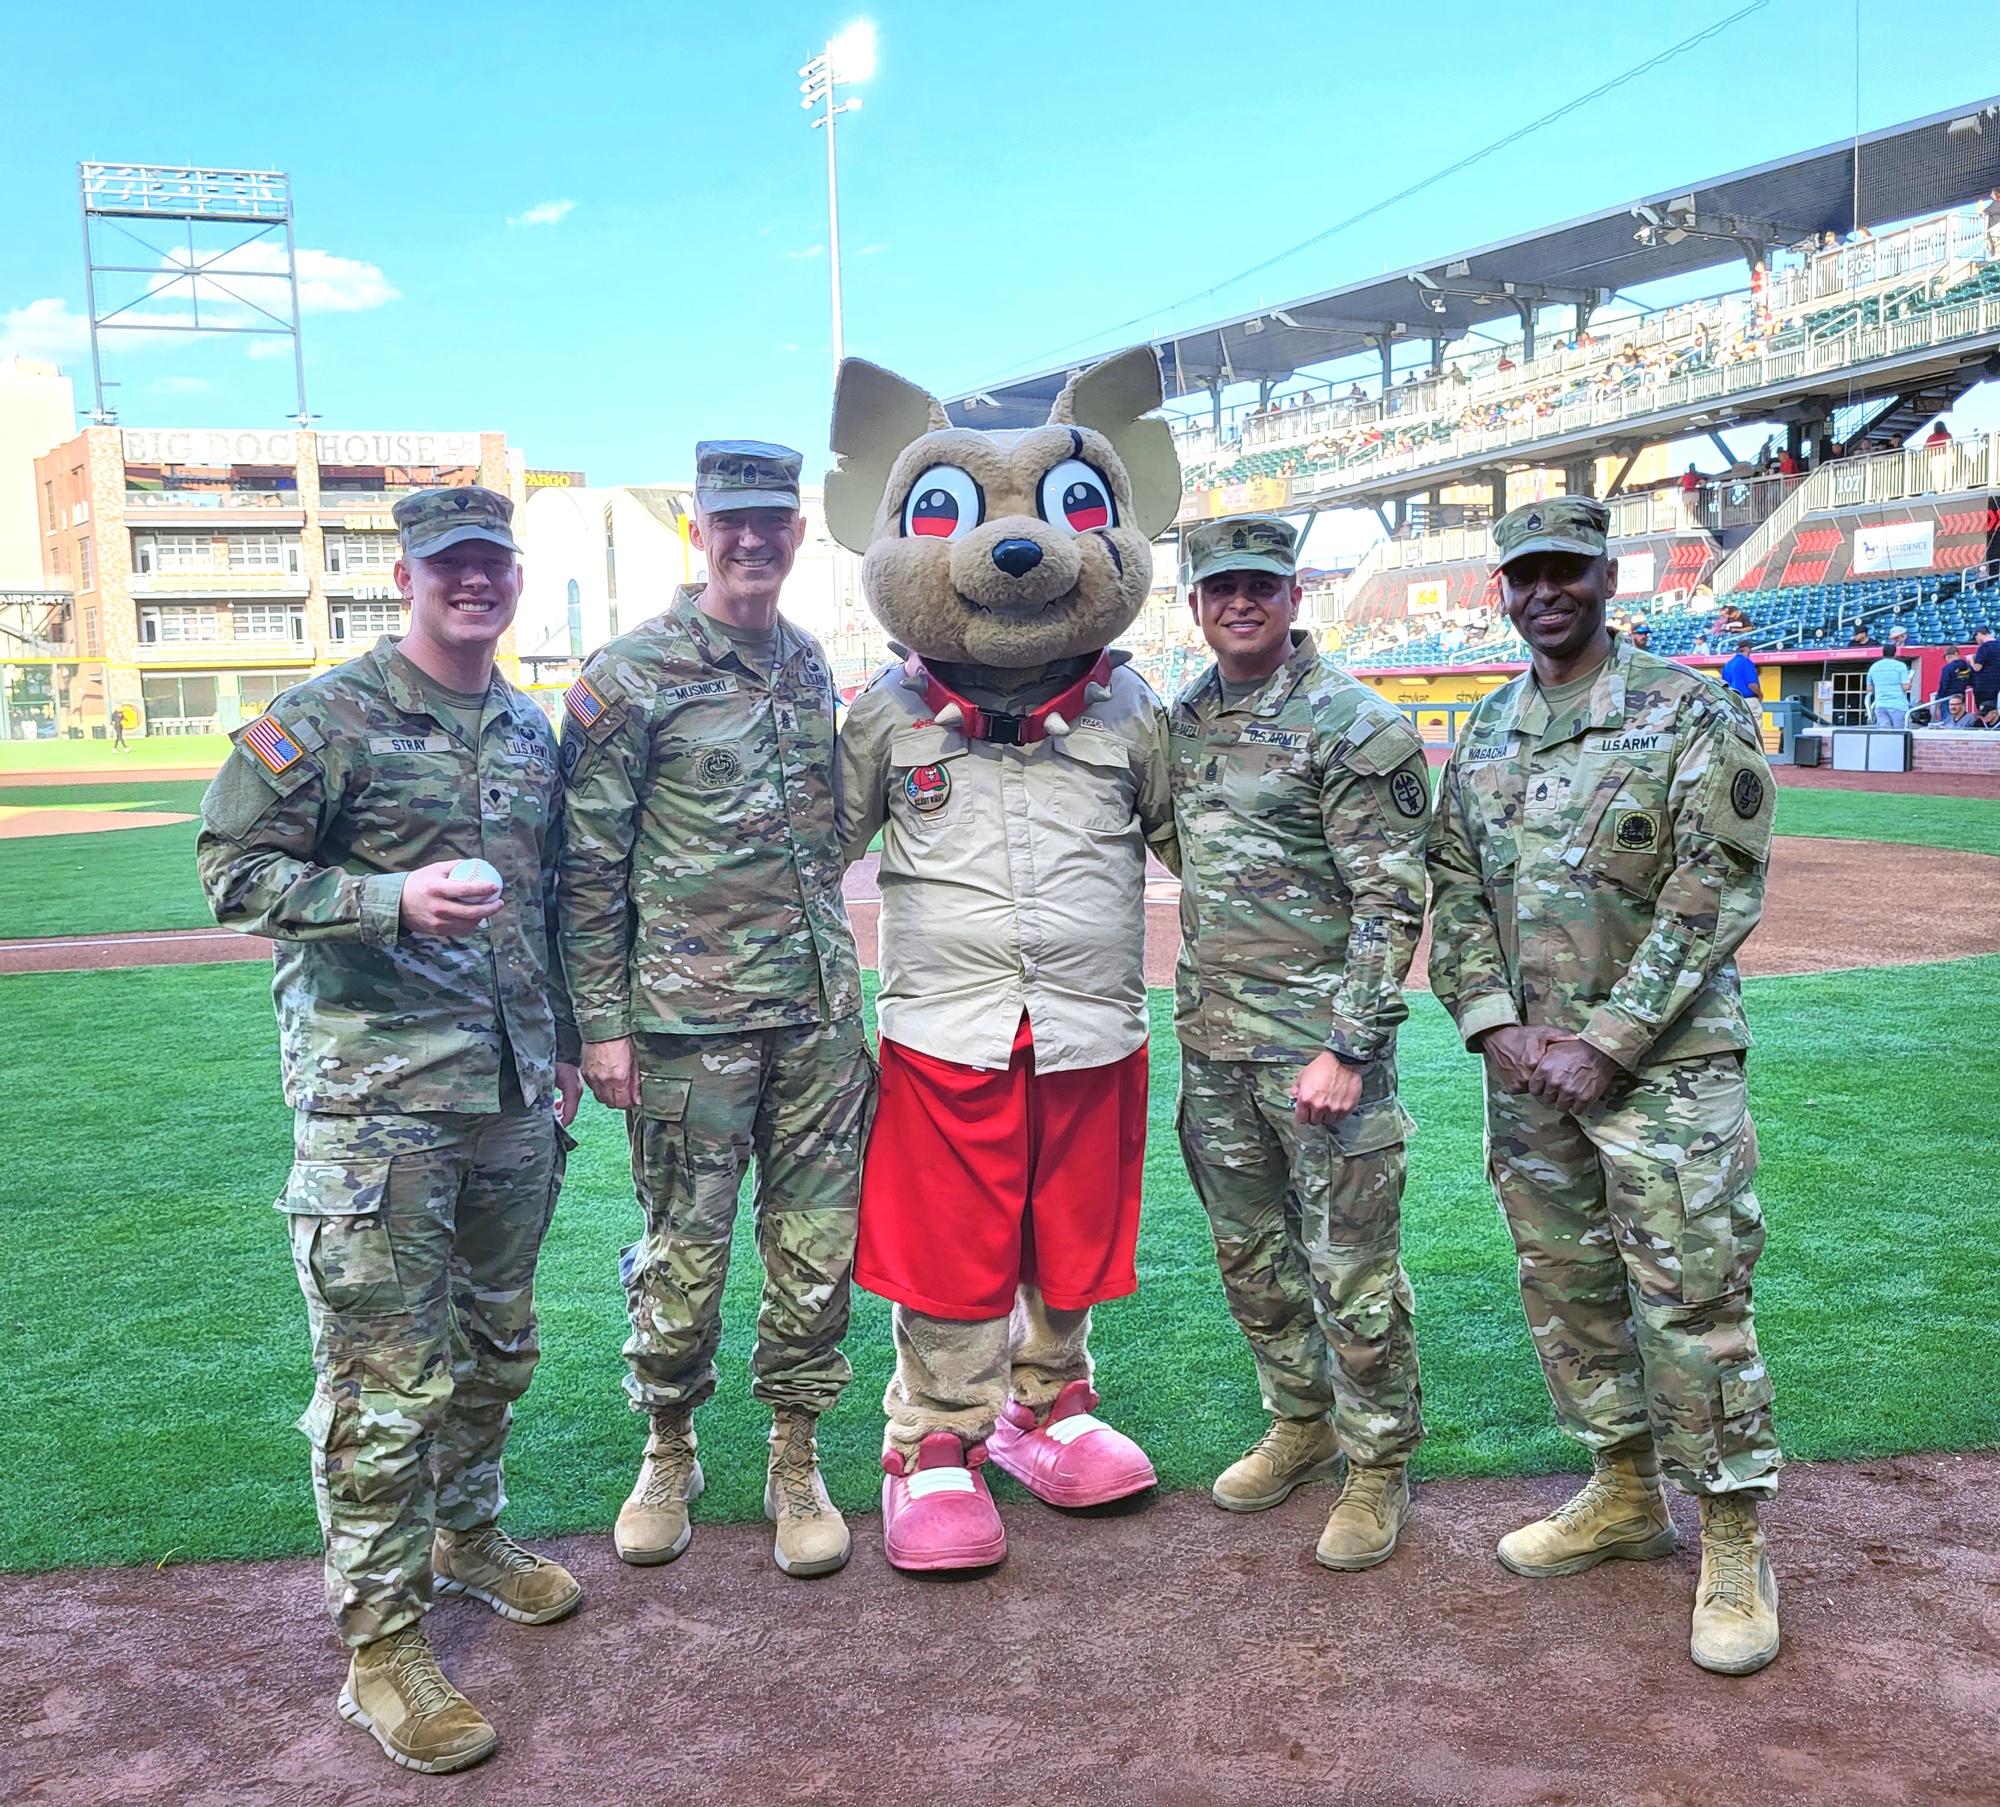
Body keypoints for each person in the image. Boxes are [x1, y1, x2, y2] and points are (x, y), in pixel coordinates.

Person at [196, 486, 585, 1776]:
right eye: (447, 566)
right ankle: (380, 1648)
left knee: (494, 1350)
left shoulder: (527, 727)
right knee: (381, 1387)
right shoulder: (324, 717)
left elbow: (542, 907)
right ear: (408, 576)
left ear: (514, 577)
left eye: (491, 564)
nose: (472, 583)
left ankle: (468, 1537)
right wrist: (386, 897)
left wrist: (567, 1054)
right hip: (378, 1114)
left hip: (511, 1103)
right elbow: (231, 869)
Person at [1427, 495, 1783, 1679]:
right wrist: (1491, 1028)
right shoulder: (1482, 732)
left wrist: (1610, 1038)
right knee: (1567, 1289)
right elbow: (1456, 896)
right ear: (1502, 587)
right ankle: (1623, 1489)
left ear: (1606, 573)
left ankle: (1730, 1531)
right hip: (1527, 1078)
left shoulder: (1692, 712)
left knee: (1690, 1296)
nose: (1545, 591)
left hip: (1663, 1073)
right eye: (1523, 573)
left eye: (1565, 570)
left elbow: (1714, 886)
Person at [558, 442, 870, 1581]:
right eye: (730, 519)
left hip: (819, 1020)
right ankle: (668, 1442)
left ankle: (795, 1454)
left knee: (815, 1251)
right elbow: (585, 867)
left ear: (796, 533)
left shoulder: (805, 659)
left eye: (771, 520)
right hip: (687, 1026)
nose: (752, 539)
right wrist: (601, 1024)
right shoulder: (628, 674)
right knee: (683, 1259)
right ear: (699, 529)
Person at [1167, 515, 1430, 1571]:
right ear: (1193, 603)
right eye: (1219, 586)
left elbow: (1388, 897)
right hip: (1214, 1047)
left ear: (1293, 596)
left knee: (1351, 1273)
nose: (1239, 602)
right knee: (1252, 1262)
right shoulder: (1182, 718)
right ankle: (1297, 1419)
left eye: (1259, 586)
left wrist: (1349, 1047)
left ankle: (1376, 1466)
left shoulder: (1352, 725)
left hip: (1319, 1058)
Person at [1866, 644, 1912, 728]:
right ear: (1895, 653)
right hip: (1898, 705)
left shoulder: (1873, 667)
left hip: (1880, 704)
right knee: (1900, 735)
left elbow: (1869, 688)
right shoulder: (1901, 666)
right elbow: (1906, 687)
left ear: (1883, 653)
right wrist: (1910, 681)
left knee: (1884, 735)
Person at [1936, 646, 1977, 725]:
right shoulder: (1967, 667)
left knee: (1947, 721)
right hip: (1961, 697)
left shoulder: (1947, 668)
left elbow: (1944, 683)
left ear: (1947, 657)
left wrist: (1938, 697)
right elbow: (1972, 681)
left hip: (1948, 698)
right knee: (1959, 718)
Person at [1720, 637, 1762, 702]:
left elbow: (1724, 685)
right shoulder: (1746, 662)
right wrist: (1760, 695)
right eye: (1750, 648)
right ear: (1746, 649)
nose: (1751, 650)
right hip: (1748, 699)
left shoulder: (1728, 664)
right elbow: (1751, 684)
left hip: (1733, 700)